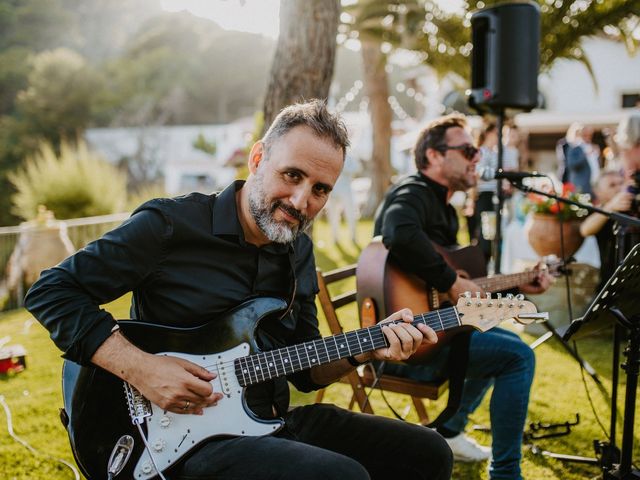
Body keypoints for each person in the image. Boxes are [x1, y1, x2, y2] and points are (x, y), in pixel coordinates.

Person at [25, 101, 453, 480]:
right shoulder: (170, 226)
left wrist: (368, 346)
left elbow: (305, 368)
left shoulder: (298, 250)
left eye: (320, 189)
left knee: (427, 453)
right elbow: (53, 291)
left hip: (268, 420)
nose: (302, 201)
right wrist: (143, 369)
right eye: (292, 175)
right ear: (257, 158)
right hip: (174, 438)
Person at [373, 113, 552, 480]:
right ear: (434, 156)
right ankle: (505, 472)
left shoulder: (442, 206)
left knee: (499, 336)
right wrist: (452, 282)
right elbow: (399, 233)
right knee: (517, 356)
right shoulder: (413, 192)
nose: (477, 157)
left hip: (437, 330)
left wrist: (519, 284)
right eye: (468, 149)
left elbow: (466, 285)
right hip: (404, 342)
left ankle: (450, 431)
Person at [579, 170, 630, 289]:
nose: (619, 188)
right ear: (598, 192)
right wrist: (611, 206)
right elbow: (585, 230)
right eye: (612, 185)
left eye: (621, 183)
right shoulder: (600, 212)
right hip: (612, 282)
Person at [565, 124, 601, 195]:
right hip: (581, 186)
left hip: (594, 185)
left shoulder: (593, 147)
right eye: (585, 134)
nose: (588, 136)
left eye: (590, 135)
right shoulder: (574, 148)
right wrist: (585, 155)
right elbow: (572, 165)